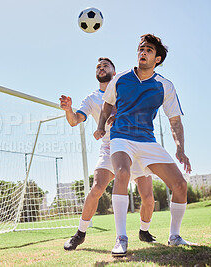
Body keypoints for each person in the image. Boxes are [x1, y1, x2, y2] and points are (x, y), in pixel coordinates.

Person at [94, 34, 195, 257]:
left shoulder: (164, 86)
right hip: (121, 136)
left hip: (147, 140)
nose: (143, 52)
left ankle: (175, 236)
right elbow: (107, 105)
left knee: (179, 185)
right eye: (141, 48)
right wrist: (102, 126)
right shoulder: (120, 79)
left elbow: (175, 121)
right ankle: (121, 238)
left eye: (148, 50)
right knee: (121, 173)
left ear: (157, 58)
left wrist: (180, 148)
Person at [60, 57, 157, 252]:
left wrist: (118, 115)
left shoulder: (126, 88)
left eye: (105, 65)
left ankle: (144, 231)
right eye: (98, 66)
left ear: (114, 71)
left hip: (135, 143)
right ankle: (80, 234)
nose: (101, 68)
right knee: (96, 188)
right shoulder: (91, 98)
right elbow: (74, 121)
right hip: (110, 146)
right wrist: (69, 110)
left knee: (147, 197)